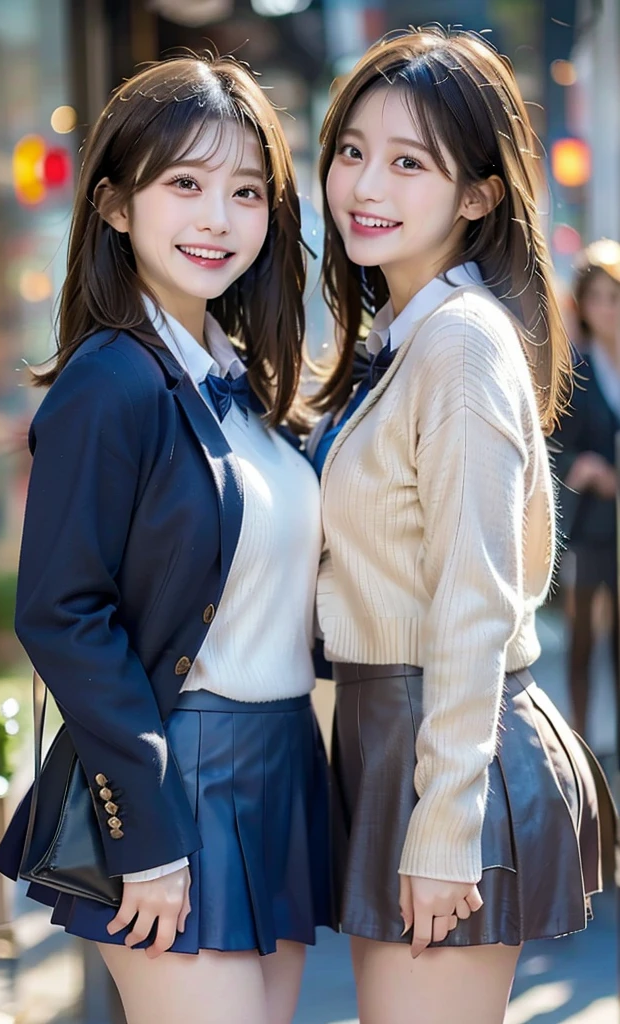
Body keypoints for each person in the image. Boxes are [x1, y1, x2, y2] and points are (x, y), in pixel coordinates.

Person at [0, 55, 331, 1024]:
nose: (216, 218)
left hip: (277, 762)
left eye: (244, 190)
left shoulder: (254, 388)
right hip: (172, 769)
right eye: (183, 183)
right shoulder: (111, 380)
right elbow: (61, 612)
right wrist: (143, 829)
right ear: (111, 205)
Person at [308, 27, 607, 1024]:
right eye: (351, 150)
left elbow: (475, 600)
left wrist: (445, 832)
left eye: (406, 163)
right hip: (395, 735)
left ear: (477, 195)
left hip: (443, 743)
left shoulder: (457, 345)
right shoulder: (400, 339)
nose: (363, 184)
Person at [551, 239, 620, 744]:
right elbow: (552, 446)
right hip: (589, 527)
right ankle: (581, 747)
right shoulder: (573, 368)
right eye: (596, 298)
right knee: (581, 641)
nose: (606, 309)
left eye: (614, 297)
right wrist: (587, 468)